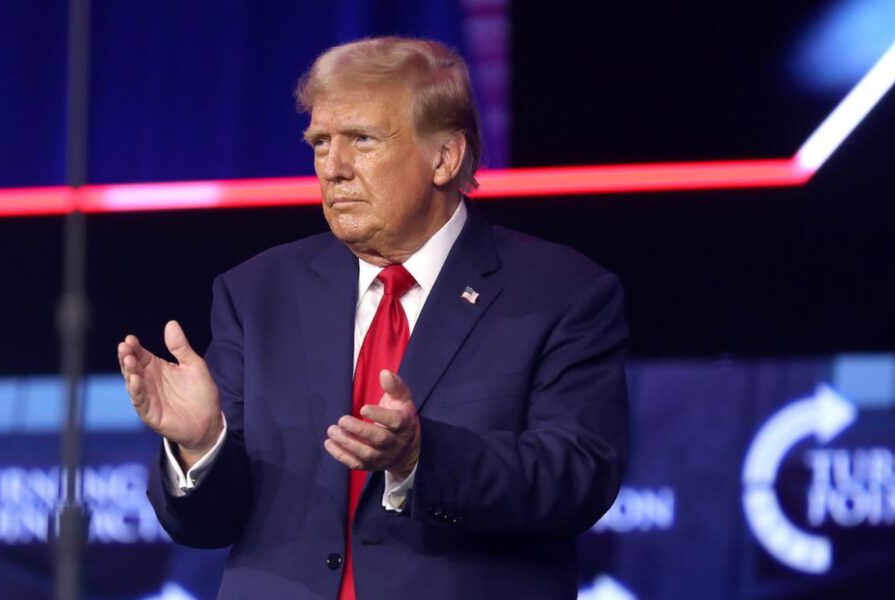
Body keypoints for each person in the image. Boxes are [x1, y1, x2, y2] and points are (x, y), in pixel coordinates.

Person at [119, 36, 629, 600]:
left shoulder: (559, 292)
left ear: (445, 157)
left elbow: (578, 476)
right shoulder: (257, 293)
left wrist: (421, 458)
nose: (332, 168)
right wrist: (201, 446)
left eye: (361, 139)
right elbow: (205, 526)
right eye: (319, 142)